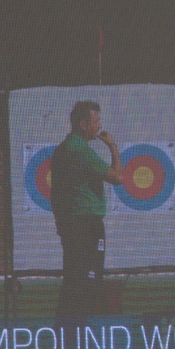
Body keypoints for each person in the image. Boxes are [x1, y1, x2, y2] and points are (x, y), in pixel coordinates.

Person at [49, 99, 122, 328]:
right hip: (86, 224)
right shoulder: (79, 150)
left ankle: (69, 331)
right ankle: (76, 331)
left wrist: (61, 222)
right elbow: (118, 178)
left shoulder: (63, 149)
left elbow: (57, 193)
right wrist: (112, 147)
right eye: (95, 121)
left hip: (73, 223)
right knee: (86, 279)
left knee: (74, 278)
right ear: (83, 124)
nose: (99, 126)